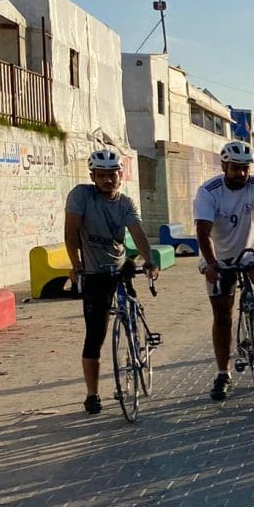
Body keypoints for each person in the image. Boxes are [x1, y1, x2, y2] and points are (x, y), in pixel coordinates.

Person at [64, 148, 158, 415]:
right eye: (101, 175)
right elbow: (71, 233)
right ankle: (92, 394)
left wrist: (149, 260)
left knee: (130, 303)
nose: (107, 180)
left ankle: (139, 339)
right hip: (94, 272)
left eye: (112, 174)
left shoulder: (126, 203)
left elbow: (137, 232)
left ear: (121, 174)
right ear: (93, 176)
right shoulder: (81, 196)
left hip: (120, 264)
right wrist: (76, 266)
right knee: (95, 335)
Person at [194, 139, 254, 401]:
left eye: (246, 168)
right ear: (224, 165)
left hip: (248, 251)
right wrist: (212, 265)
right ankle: (223, 373)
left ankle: (251, 321)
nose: (242, 174)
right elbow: (203, 231)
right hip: (218, 255)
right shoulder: (209, 191)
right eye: (236, 168)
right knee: (222, 315)